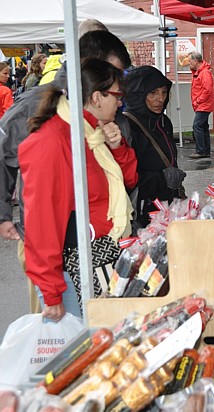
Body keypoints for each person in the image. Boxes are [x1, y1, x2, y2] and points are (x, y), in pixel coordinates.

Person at [19, 58, 138, 322]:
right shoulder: (55, 140)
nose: (121, 103)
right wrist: (51, 294)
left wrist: (118, 148)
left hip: (103, 259)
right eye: (117, 96)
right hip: (74, 272)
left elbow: (129, 181)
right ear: (97, 97)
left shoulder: (92, 133)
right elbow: (41, 220)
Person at [124, 66, 186, 228]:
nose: (160, 99)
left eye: (164, 92)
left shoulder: (164, 122)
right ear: (139, 95)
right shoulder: (127, 127)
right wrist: (162, 178)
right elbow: (126, 179)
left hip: (169, 209)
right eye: (153, 93)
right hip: (143, 214)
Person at [188, 52, 214, 160]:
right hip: (202, 105)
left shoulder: (204, 73)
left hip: (203, 105)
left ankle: (200, 151)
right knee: (203, 127)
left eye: (190, 61)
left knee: (197, 126)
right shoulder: (200, 72)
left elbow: (207, 90)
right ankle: (205, 150)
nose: (189, 63)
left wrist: (198, 101)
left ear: (195, 61)